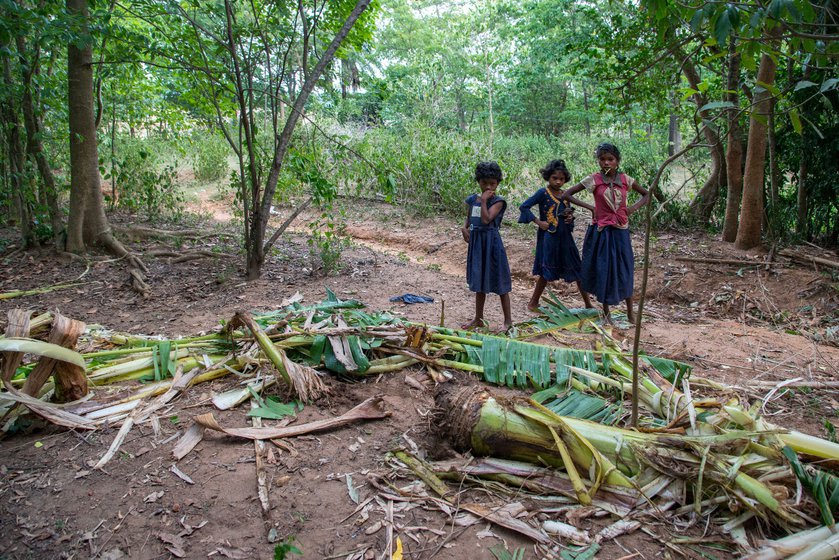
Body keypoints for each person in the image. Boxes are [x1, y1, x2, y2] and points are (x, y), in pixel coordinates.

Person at [562, 143, 649, 324]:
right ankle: (606, 313)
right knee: (604, 270)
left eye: (610, 159)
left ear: (617, 161)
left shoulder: (625, 180)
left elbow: (647, 195)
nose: (606, 163)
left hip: (621, 232)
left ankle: (630, 314)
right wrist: (590, 208)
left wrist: (631, 209)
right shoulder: (594, 180)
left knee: (624, 269)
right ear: (598, 161)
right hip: (602, 232)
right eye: (602, 159)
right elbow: (567, 194)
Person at [518, 159, 593, 312]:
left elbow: (568, 217)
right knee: (546, 271)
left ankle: (588, 304)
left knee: (577, 269)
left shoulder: (566, 195)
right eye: (555, 178)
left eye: (562, 179)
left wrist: (570, 219)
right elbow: (524, 206)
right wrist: (538, 222)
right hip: (549, 238)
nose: (558, 182)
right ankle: (533, 303)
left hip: (565, 238)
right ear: (548, 177)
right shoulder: (542, 193)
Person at [461, 161, 513, 332]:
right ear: (479, 182)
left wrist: (484, 201)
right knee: (479, 281)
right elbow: (470, 217)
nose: (488, 187)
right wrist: (464, 228)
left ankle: (508, 321)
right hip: (477, 244)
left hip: (492, 245)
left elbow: (485, 219)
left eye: (493, 183)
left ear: (498, 183)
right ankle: (479, 318)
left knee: (500, 282)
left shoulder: (498, 202)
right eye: (485, 183)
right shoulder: (472, 200)